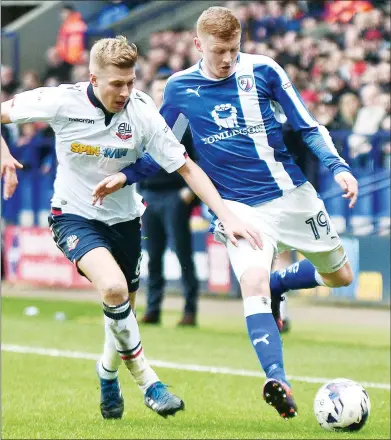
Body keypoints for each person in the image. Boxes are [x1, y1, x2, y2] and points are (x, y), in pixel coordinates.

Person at [96, 8, 359, 420]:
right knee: (250, 281)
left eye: (234, 50)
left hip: (292, 197)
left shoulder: (266, 71)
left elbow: (307, 126)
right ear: (198, 45)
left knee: (341, 276)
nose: (227, 59)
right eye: (219, 51)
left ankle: (278, 283)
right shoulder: (180, 89)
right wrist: (125, 176)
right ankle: (278, 378)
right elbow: (167, 153)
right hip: (236, 208)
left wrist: (338, 166)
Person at [0, 35, 261, 421]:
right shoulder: (61, 101)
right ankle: (148, 381)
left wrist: (226, 215)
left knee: (121, 314)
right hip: (73, 215)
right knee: (114, 287)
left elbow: (186, 167)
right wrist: (4, 154)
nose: (125, 91)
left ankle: (107, 374)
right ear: (93, 79)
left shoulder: (142, 113)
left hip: (124, 221)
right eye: (116, 84)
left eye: (131, 82)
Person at [139, 73, 200, 327]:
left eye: (165, 89)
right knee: (152, 256)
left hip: (176, 195)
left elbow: (200, 158)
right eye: (156, 89)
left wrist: (190, 192)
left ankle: (189, 310)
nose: (160, 94)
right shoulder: (144, 121)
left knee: (183, 253)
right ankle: (153, 309)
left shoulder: (186, 123)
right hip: (149, 196)